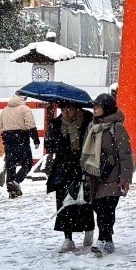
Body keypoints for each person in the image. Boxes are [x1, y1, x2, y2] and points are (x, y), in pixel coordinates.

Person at [81, 93, 134, 256]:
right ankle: (108, 240)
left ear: (107, 108)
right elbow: (86, 152)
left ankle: (102, 240)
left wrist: (125, 179)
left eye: (98, 106)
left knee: (107, 209)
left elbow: (125, 154)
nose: (95, 109)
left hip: (112, 175)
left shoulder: (116, 128)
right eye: (94, 106)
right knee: (98, 208)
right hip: (95, 176)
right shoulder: (92, 127)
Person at [44, 102, 95, 253]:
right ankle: (68, 238)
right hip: (63, 168)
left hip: (82, 167)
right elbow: (51, 147)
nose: (65, 112)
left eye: (69, 108)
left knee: (83, 200)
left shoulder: (87, 122)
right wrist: (51, 136)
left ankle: (88, 229)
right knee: (64, 202)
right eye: (63, 109)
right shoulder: (57, 124)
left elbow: (92, 145)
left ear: (76, 108)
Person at [0, 94, 41, 198]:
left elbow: (1, 127)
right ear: (23, 98)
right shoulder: (25, 109)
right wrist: (35, 140)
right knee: (27, 163)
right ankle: (16, 181)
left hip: (8, 140)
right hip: (22, 139)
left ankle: (11, 189)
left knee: (11, 165)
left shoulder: (5, 110)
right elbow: (30, 125)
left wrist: (5, 139)